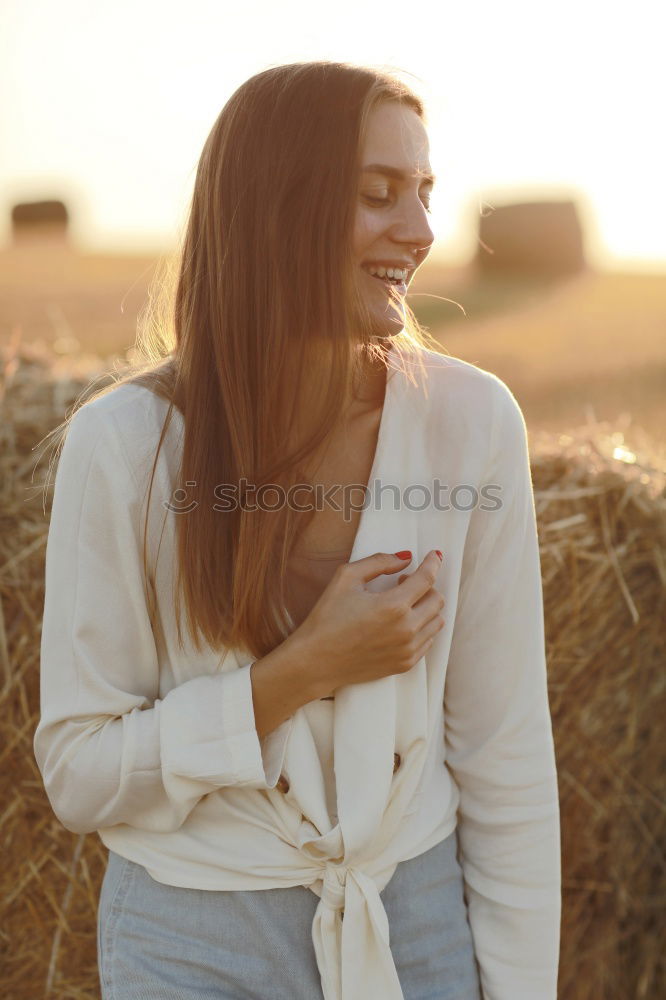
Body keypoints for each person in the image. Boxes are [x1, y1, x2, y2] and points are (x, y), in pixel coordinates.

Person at [34, 61, 561, 1000]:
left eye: (426, 192)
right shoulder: (124, 448)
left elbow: (505, 754)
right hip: (191, 938)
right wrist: (297, 674)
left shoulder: (471, 423)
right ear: (277, 210)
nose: (423, 231)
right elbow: (77, 774)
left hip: (415, 924)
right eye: (379, 194)